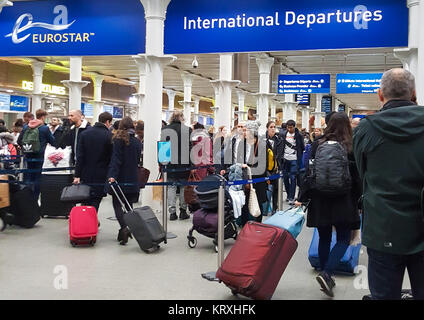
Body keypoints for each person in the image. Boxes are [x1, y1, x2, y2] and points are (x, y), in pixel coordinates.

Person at [353, 68, 424, 300]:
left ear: (380, 94)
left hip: (383, 227)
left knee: (383, 295)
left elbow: (363, 174)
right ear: (414, 93)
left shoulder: (366, 128)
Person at [296, 112, 361, 298]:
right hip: (344, 199)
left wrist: (303, 195)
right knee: (343, 239)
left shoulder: (318, 143)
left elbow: (308, 171)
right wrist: (359, 200)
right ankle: (327, 273)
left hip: (320, 198)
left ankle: (325, 273)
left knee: (324, 238)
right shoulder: (350, 145)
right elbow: (356, 177)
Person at [107, 117, 142, 245]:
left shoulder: (118, 140)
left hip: (120, 177)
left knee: (117, 204)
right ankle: (126, 229)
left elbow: (116, 160)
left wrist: (112, 175)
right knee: (129, 205)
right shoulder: (137, 141)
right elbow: (138, 160)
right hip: (133, 177)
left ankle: (124, 228)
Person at [74, 112, 113, 216]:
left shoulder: (85, 134)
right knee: (96, 200)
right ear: (107, 122)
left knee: (85, 198)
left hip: (85, 173)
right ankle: (90, 222)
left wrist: (77, 175)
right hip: (101, 173)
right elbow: (111, 157)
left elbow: (80, 156)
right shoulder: (109, 136)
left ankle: (84, 222)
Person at [161, 111, 192, 221]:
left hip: (170, 163)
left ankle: (172, 212)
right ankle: (183, 211)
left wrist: (162, 164)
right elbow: (190, 148)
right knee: (183, 186)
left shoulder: (164, 130)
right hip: (184, 163)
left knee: (171, 186)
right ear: (181, 118)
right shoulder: (187, 130)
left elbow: (163, 148)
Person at [17, 109, 55, 200]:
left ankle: (27, 197)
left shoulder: (26, 126)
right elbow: (53, 141)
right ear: (43, 117)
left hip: (28, 155)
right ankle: (35, 197)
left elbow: (19, 141)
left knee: (29, 175)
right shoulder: (44, 128)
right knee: (38, 176)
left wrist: (25, 148)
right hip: (39, 156)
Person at [278, 120, 305, 205]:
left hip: (294, 159)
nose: (289, 129)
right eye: (288, 127)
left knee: (293, 178)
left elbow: (302, 147)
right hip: (285, 159)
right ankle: (289, 194)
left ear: (294, 126)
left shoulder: (299, 136)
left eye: (291, 127)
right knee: (285, 177)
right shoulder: (283, 134)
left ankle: (291, 197)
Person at [266, 121, 281, 215]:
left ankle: (275, 208)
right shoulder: (263, 140)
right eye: (271, 127)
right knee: (267, 189)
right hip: (266, 169)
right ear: (267, 128)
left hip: (276, 168)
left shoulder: (279, 140)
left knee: (276, 189)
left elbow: (280, 153)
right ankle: (266, 207)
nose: (273, 128)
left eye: (274, 127)